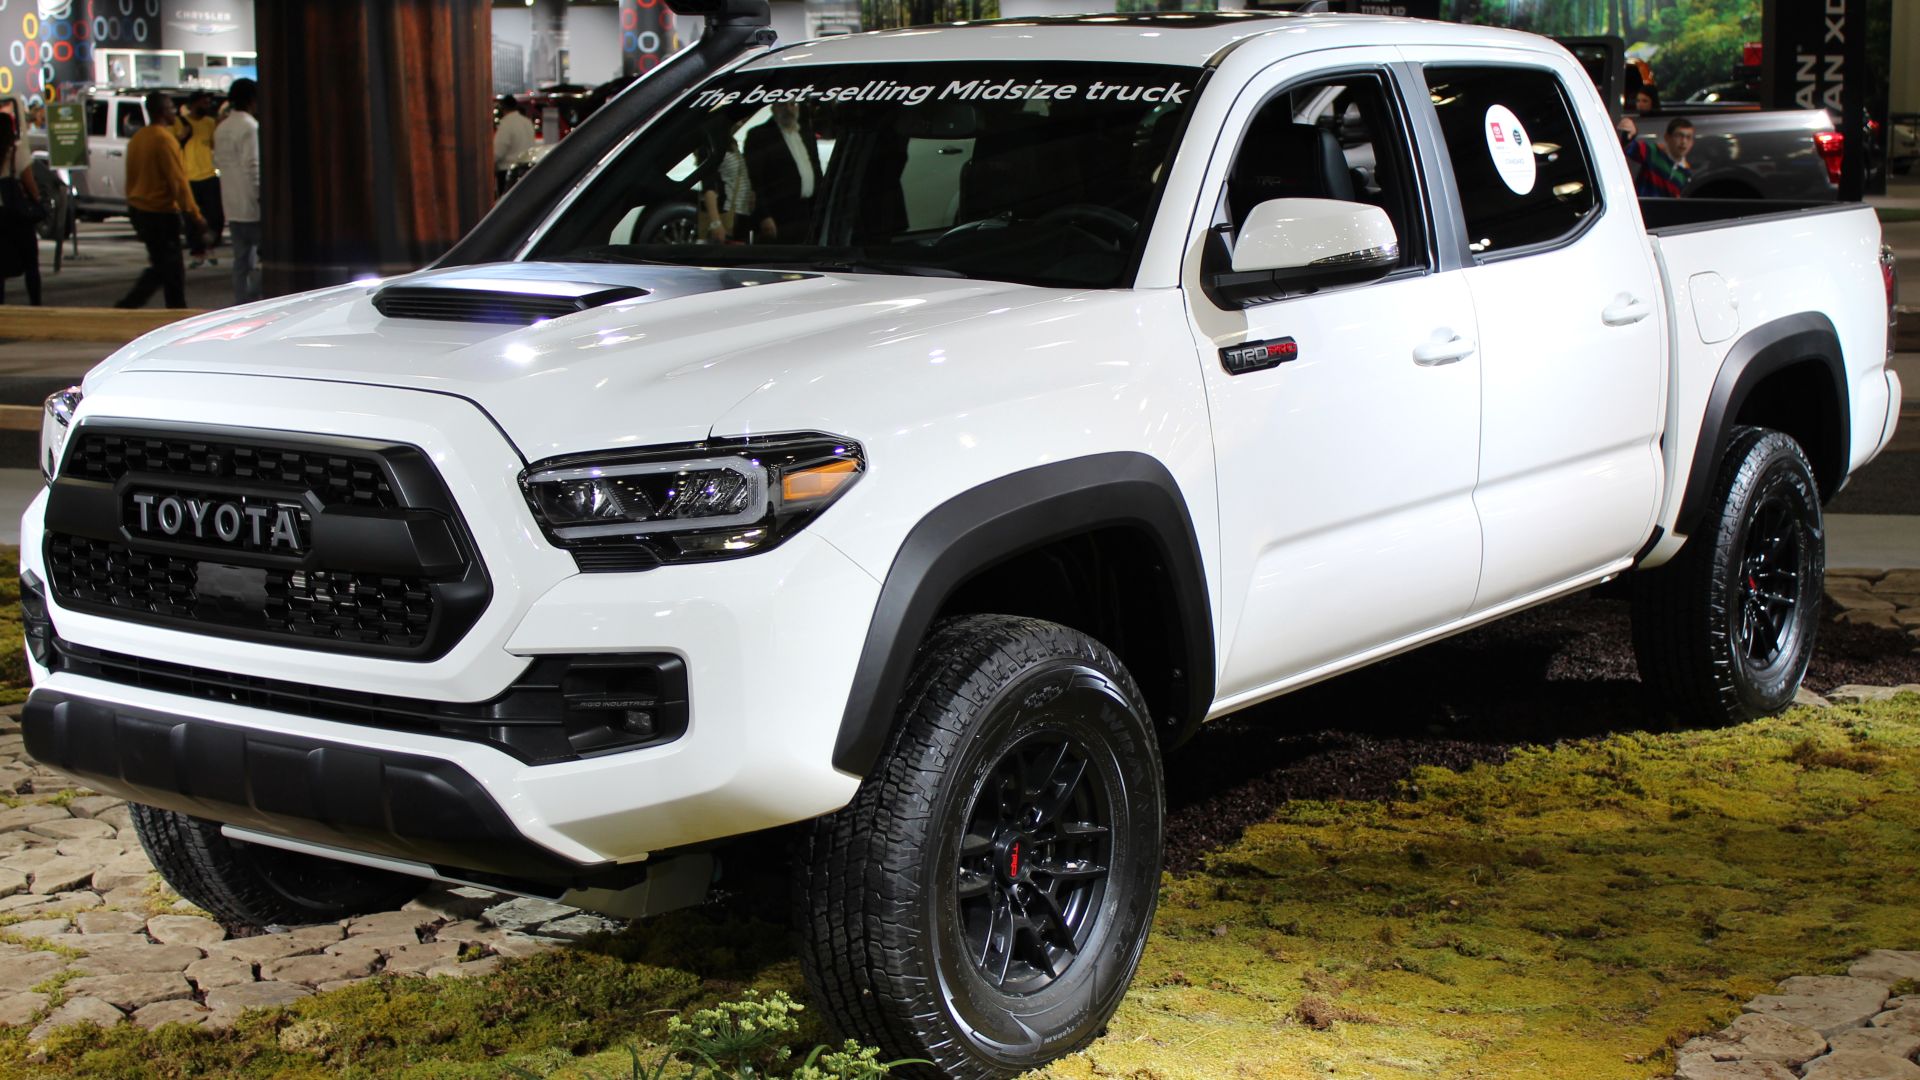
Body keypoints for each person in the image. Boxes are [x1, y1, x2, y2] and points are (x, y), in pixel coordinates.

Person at [116, 90, 203, 309]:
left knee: (163, 265)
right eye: (172, 108)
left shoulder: (138, 139)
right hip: (160, 213)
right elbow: (178, 181)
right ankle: (138, 307)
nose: (175, 112)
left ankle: (138, 306)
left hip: (139, 209)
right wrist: (194, 214)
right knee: (170, 269)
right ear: (163, 112)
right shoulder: (164, 140)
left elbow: (131, 177)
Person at [744, 102, 821, 242]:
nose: (788, 109)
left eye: (792, 104)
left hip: (806, 213)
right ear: (773, 108)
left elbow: (816, 169)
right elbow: (753, 180)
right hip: (777, 217)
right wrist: (763, 216)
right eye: (783, 105)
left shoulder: (806, 134)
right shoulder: (759, 136)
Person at [214, 78, 261, 303]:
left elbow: (218, 162)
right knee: (266, 259)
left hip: (231, 205)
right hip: (251, 205)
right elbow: (253, 166)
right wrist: (260, 195)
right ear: (252, 100)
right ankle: (253, 301)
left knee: (241, 261)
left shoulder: (221, 128)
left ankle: (240, 304)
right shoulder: (250, 126)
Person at [173, 91, 222, 264]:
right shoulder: (179, 123)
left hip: (209, 175)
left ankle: (210, 246)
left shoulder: (210, 123)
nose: (207, 106)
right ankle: (197, 251)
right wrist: (182, 136)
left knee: (214, 216)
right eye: (203, 102)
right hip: (188, 178)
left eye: (208, 103)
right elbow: (173, 145)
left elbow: (214, 146)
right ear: (193, 104)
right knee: (191, 218)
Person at [0, 113, 41, 306]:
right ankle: (35, 303)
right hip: (17, 215)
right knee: (31, 261)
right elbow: (29, 181)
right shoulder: (17, 151)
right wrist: (37, 199)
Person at [1622, 116, 1694, 198]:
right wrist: (1629, 133)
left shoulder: (1687, 175)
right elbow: (1628, 147)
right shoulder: (1653, 152)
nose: (1684, 142)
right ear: (1667, 137)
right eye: (1679, 136)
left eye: (1688, 137)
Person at [493, 96, 535, 196]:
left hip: (508, 172)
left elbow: (499, 150)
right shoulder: (527, 122)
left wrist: (490, 163)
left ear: (503, 108)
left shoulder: (506, 124)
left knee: (508, 201)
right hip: (527, 169)